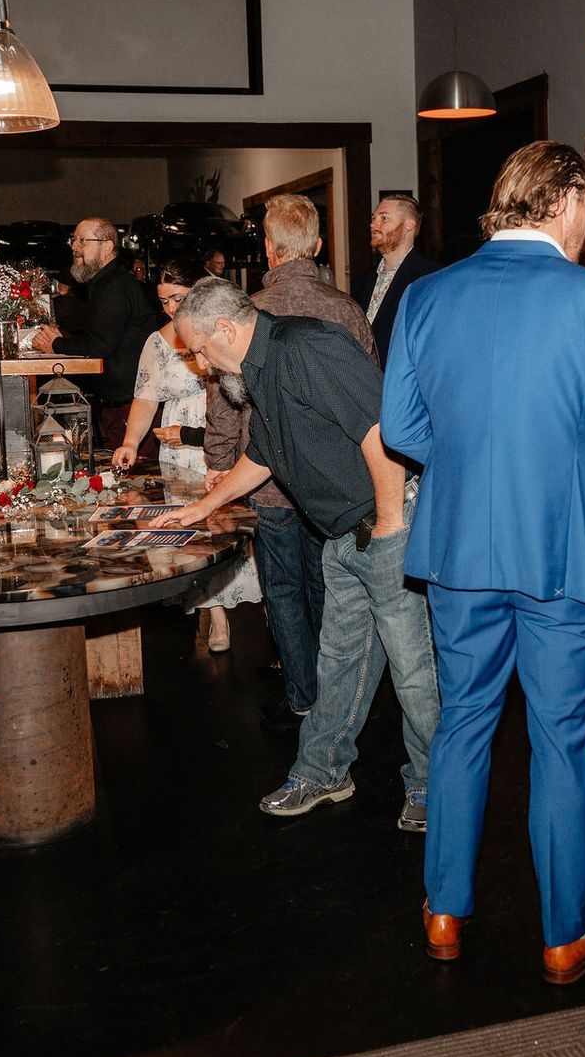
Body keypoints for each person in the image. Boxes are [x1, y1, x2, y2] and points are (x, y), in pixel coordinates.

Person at [382, 141, 585, 985]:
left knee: (463, 722)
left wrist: (470, 471)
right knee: (561, 741)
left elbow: (401, 428)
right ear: (569, 198)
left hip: (461, 554)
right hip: (568, 560)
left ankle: (442, 911)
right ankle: (564, 932)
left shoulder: (427, 296)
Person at [157, 279, 438, 832]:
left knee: (412, 670)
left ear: (227, 330)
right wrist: (200, 507)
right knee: (337, 664)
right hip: (344, 534)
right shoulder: (256, 370)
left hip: (386, 524)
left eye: (198, 351)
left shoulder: (308, 347)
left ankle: (434, 785)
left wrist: (388, 527)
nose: (200, 366)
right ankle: (323, 771)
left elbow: (381, 432)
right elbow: (263, 455)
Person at [200, 194, 378, 729]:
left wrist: (218, 464)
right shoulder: (346, 310)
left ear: (270, 248)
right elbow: (369, 398)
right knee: (333, 594)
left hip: (270, 481)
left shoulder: (248, 312)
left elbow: (225, 402)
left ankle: (302, 697)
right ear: (318, 246)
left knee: (282, 592)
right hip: (336, 482)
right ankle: (337, 701)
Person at [111, 257, 262, 653]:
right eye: (163, 301)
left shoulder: (222, 333)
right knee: (192, 536)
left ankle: (261, 611)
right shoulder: (157, 343)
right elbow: (144, 399)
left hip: (219, 437)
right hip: (178, 451)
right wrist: (130, 442)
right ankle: (214, 615)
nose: (171, 308)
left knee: (230, 529)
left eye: (178, 298)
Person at [32, 218, 158, 447]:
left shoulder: (116, 285)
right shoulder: (103, 283)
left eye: (83, 240)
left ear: (107, 246)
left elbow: (101, 344)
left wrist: (57, 344)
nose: (74, 246)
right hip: (120, 404)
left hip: (131, 407)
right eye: (74, 239)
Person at [354, 194, 443, 360]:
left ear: (409, 225)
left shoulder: (431, 278)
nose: (373, 224)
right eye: (374, 218)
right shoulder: (362, 281)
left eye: (384, 218)